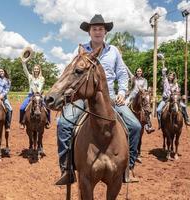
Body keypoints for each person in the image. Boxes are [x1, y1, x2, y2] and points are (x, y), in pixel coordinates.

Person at [55, 14, 142, 185]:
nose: (97, 31)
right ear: (89, 32)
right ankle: (67, 169)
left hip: (108, 98)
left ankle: (129, 168)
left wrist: (123, 92)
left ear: (105, 32)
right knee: (63, 124)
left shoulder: (114, 51)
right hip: (82, 96)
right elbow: (72, 72)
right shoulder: (80, 50)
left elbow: (122, 74)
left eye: (101, 29)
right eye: (94, 29)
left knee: (135, 126)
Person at [19, 62, 51, 129]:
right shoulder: (30, 77)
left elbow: (40, 87)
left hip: (39, 95)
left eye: (37, 69)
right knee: (22, 108)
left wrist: (37, 93)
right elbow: (25, 70)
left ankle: (47, 122)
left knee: (47, 108)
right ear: (33, 70)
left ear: (39, 70)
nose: (36, 70)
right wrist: (23, 63)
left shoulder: (42, 78)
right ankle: (22, 122)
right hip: (30, 95)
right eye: (35, 69)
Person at [125, 67, 155, 133]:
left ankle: (148, 126)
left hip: (141, 97)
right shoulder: (133, 78)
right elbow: (128, 70)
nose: (139, 72)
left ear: (142, 72)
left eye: (140, 71)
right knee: (124, 105)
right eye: (138, 71)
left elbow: (145, 89)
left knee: (146, 109)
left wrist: (141, 90)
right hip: (132, 96)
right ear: (136, 72)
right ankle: (122, 123)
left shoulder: (144, 80)